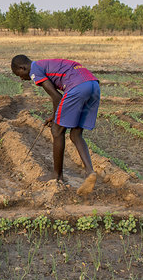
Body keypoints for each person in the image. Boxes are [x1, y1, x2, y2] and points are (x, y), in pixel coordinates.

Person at [10, 54, 100, 195]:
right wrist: (55, 116)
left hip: (77, 87)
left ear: (23, 67)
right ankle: (90, 172)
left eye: (19, 75)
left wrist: (55, 118)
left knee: (57, 131)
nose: (22, 79)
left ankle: (57, 175)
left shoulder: (34, 70)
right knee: (76, 134)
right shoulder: (44, 64)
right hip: (93, 86)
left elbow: (57, 97)